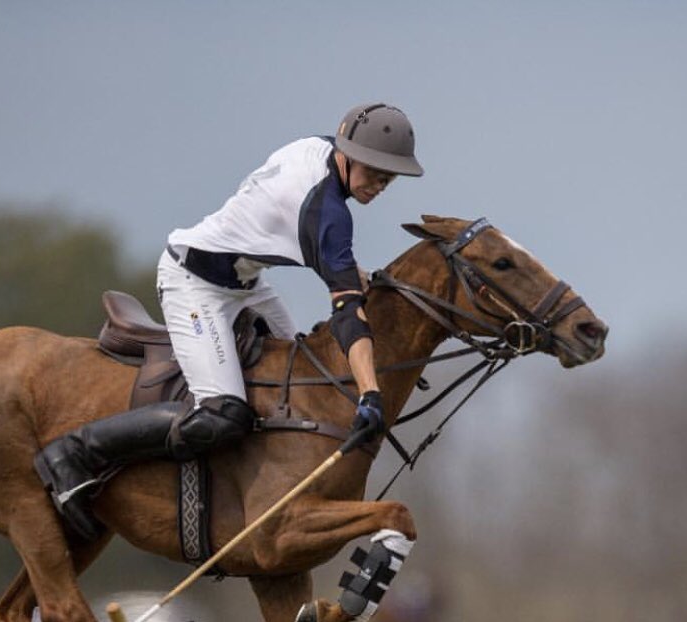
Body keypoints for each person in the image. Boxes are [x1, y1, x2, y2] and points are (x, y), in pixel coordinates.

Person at [35, 103, 424, 536]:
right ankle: (75, 452)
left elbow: (322, 253)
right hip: (194, 283)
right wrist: (371, 393)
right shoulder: (328, 213)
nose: (379, 185)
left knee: (297, 382)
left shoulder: (319, 148)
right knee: (223, 413)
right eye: (374, 172)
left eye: (389, 178)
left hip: (245, 282)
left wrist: (356, 275)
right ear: (347, 155)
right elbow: (349, 314)